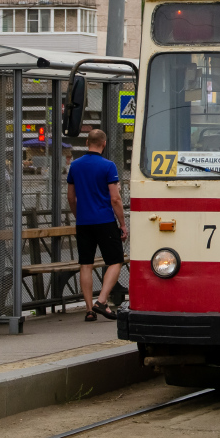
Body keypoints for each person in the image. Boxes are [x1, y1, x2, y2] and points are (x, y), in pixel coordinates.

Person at [67, 128, 126, 322]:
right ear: (104, 144)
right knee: (116, 260)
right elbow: (115, 199)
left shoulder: (75, 166)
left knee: (86, 264)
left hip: (84, 222)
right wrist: (122, 224)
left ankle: (89, 310)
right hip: (104, 220)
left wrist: (79, 216)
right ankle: (101, 301)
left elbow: (71, 197)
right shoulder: (108, 166)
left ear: (87, 143)